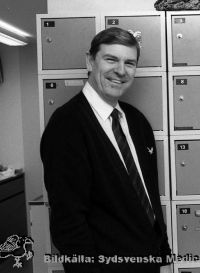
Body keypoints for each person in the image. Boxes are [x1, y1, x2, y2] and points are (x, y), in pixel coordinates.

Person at [40, 27, 171, 273]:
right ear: (90, 61)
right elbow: (68, 221)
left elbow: (148, 196)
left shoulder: (137, 122)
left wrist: (161, 254)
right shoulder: (67, 124)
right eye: (111, 59)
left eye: (129, 63)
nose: (121, 71)